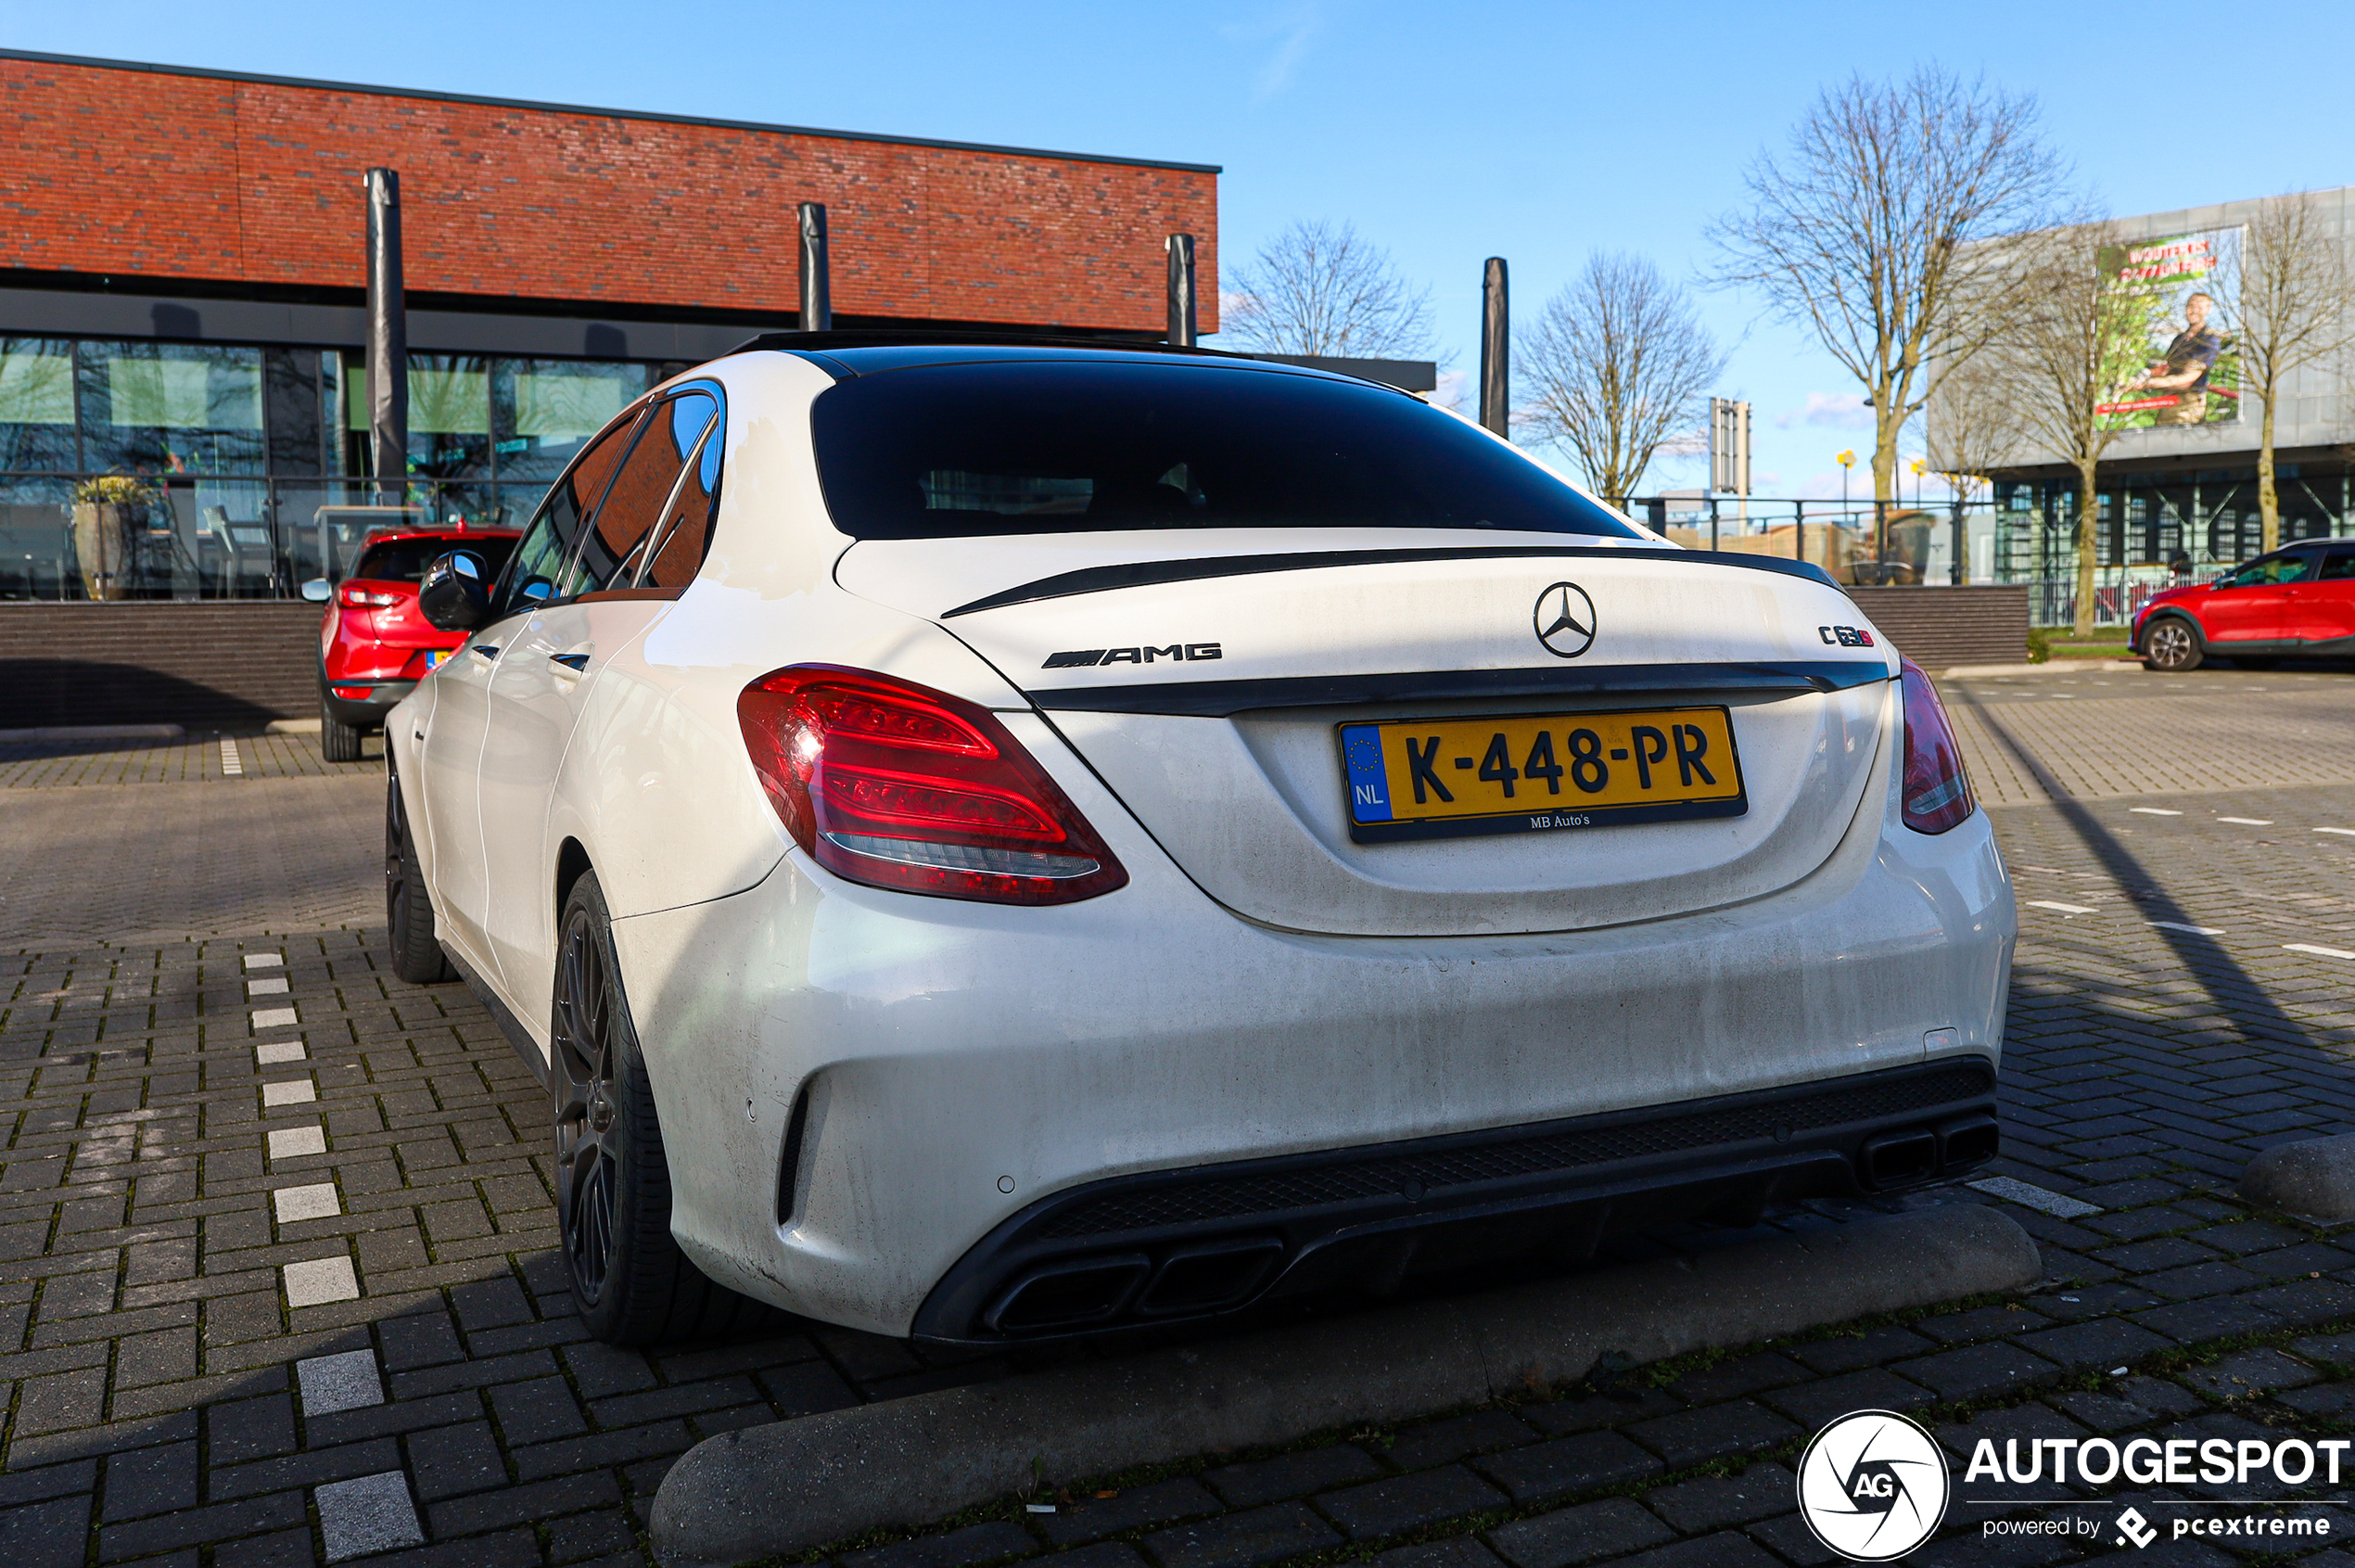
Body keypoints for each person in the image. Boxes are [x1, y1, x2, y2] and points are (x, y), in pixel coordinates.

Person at [2121, 292, 2225, 426]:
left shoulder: (2209, 340)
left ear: (2208, 310)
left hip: (2188, 406)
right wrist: (2144, 375)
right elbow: (2167, 368)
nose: (2194, 310)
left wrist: (2148, 383)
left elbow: (2186, 380)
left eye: (2199, 307)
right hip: (2168, 400)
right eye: (2190, 306)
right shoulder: (2179, 339)